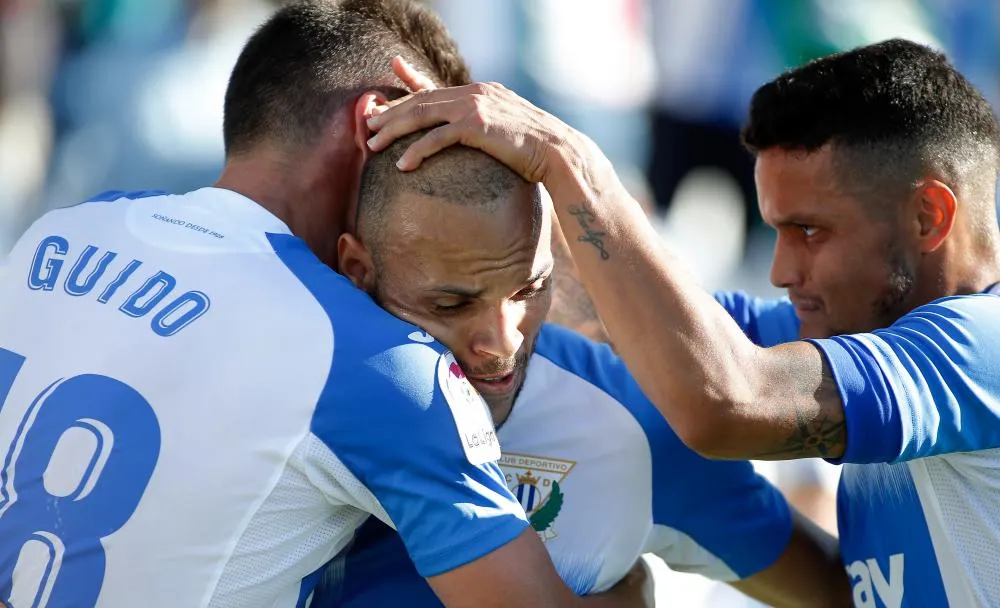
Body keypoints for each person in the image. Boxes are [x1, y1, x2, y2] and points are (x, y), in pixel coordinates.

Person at [0, 2, 649, 606]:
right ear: (372, 120)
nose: (446, 168)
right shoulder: (378, 362)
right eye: (433, 132)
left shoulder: (61, 234)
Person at [367, 38, 1000, 606]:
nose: (780, 270)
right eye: (777, 231)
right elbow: (636, 321)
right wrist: (455, 187)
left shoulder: (983, 346)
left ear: (928, 217)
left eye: (810, 231)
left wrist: (569, 162)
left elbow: (725, 403)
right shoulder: (856, 330)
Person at [305, 130, 850, 607]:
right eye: (451, 305)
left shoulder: (640, 424)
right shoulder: (291, 365)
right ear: (356, 269)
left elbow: (847, 590)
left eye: (529, 289)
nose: (501, 342)